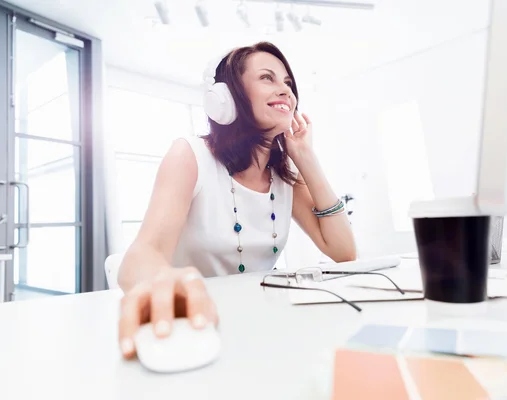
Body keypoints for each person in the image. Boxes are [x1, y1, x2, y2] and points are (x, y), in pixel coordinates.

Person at [117, 41, 356, 359]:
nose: (285, 90)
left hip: (260, 324)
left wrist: (306, 158)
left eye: (288, 83)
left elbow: (343, 251)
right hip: (194, 326)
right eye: (267, 78)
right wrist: (159, 279)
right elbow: (142, 253)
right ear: (226, 98)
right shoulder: (190, 155)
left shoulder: (285, 174)